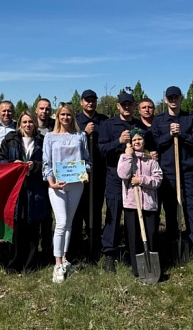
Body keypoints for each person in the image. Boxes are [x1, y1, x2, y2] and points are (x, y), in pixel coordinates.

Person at [151, 86, 193, 266]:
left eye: (176, 97)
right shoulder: (159, 121)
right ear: (166, 100)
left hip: (187, 171)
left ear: (181, 99)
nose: (173, 100)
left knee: (192, 207)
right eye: (170, 98)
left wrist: (182, 135)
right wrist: (169, 134)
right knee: (170, 209)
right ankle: (173, 243)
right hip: (168, 173)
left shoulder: (190, 119)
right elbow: (154, 144)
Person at [98, 92, 146, 272]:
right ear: (118, 106)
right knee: (113, 214)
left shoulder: (139, 126)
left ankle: (132, 251)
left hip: (135, 177)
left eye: (130, 104)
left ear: (134, 107)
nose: (126, 107)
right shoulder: (108, 125)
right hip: (115, 177)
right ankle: (109, 253)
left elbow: (146, 146)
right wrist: (118, 142)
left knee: (133, 215)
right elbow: (101, 150)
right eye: (123, 104)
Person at [43, 103, 90, 283]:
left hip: (76, 184)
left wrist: (85, 173)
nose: (65, 118)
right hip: (57, 185)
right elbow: (46, 163)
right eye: (62, 115)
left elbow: (86, 159)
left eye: (68, 115)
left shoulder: (80, 136)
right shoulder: (50, 137)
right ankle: (57, 265)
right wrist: (52, 183)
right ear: (57, 116)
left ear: (73, 117)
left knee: (69, 222)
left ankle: (64, 258)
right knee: (61, 222)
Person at [0, 111, 47, 273]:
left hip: (35, 188)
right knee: (17, 228)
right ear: (19, 124)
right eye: (24, 122)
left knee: (33, 227)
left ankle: (30, 265)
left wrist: (35, 166)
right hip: (16, 191)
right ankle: (14, 264)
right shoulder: (10, 140)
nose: (27, 125)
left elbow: (48, 163)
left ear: (35, 124)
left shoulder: (42, 141)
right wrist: (12, 164)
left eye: (30, 122)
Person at [116, 129, 162, 278]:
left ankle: (152, 265)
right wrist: (128, 156)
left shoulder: (151, 160)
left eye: (140, 139)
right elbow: (123, 174)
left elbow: (158, 180)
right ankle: (137, 268)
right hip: (131, 204)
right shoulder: (125, 158)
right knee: (133, 236)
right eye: (134, 140)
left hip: (149, 205)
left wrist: (141, 180)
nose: (137, 142)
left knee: (152, 234)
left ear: (144, 142)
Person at [72, 89, 109, 263]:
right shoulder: (75, 121)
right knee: (79, 210)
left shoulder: (104, 121)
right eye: (87, 100)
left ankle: (95, 244)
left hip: (100, 172)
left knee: (95, 209)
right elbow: (69, 145)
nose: (90, 103)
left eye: (93, 100)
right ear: (81, 102)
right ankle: (78, 247)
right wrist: (84, 134)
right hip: (80, 173)